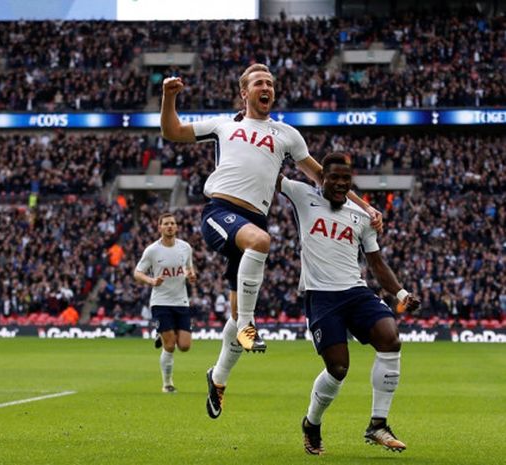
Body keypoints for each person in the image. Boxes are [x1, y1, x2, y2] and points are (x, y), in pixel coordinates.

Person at [160, 63, 383, 418]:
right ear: (244, 92)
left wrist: (366, 207)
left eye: (270, 83)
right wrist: (169, 97)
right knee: (261, 243)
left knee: (234, 313)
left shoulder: (287, 135)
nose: (266, 87)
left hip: (253, 220)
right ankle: (250, 326)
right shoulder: (224, 125)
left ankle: (217, 378)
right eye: (259, 83)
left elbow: (324, 179)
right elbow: (172, 131)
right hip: (220, 212)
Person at [276, 153, 419, 455]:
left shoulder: (362, 215)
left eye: (346, 178)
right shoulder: (302, 195)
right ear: (322, 178)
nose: (341, 183)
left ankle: (378, 424)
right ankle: (312, 423)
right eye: (335, 177)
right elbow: (266, 172)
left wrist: (401, 293)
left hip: (355, 291)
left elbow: (377, 263)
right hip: (321, 296)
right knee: (338, 368)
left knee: (390, 338)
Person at [134, 213, 196, 393]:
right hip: (160, 301)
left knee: (184, 346)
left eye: (173, 223)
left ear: (176, 227)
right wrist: (152, 281)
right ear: (159, 227)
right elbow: (137, 273)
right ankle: (167, 384)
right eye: (166, 223)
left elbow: (189, 267)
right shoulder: (152, 250)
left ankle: (161, 333)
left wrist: (191, 275)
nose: (170, 226)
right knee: (170, 345)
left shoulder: (185, 247)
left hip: (181, 301)